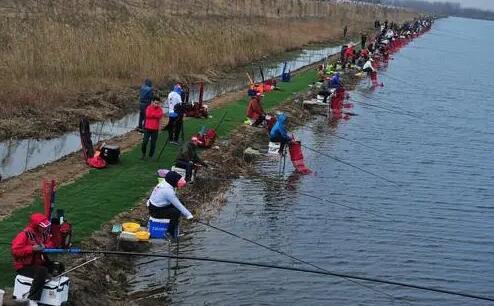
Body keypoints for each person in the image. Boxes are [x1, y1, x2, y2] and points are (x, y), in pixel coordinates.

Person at [11, 213, 57, 306]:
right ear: (36, 226)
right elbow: (15, 251)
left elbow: (51, 243)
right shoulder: (23, 235)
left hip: (38, 263)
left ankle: (53, 292)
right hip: (24, 266)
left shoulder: (43, 234)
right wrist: (31, 249)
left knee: (57, 265)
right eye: (42, 226)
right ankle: (32, 299)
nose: (45, 228)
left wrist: (45, 246)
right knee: (42, 271)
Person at [148, 171, 192, 237]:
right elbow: (178, 205)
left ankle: (174, 227)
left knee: (180, 204)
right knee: (176, 213)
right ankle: (169, 232)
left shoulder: (164, 183)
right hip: (155, 211)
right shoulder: (168, 191)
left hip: (156, 205)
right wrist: (189, 215)